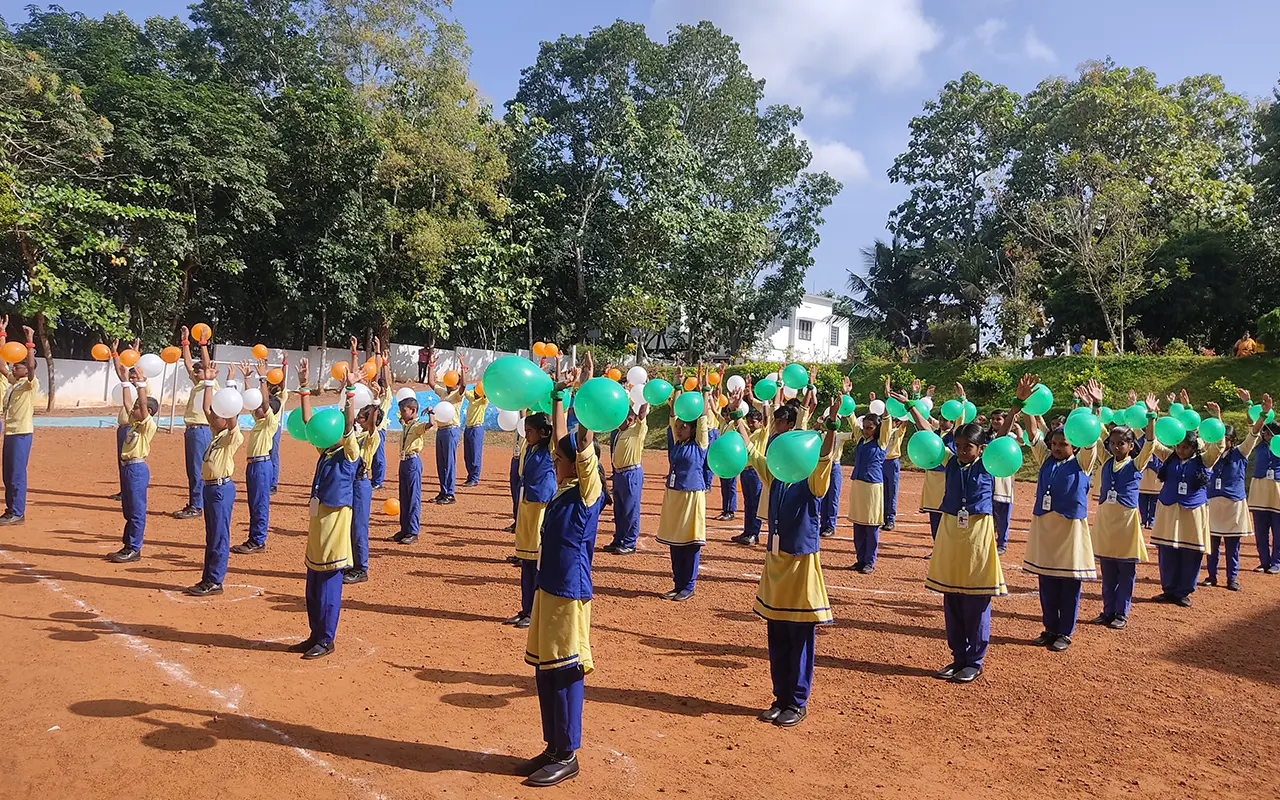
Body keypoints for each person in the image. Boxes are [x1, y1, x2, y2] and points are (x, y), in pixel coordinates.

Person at [518, 354, 605, 788]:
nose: (554, 459)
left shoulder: (589, 491)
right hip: (549, 589)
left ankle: (568, 753)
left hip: (570, 592)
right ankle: (552, 746)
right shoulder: (562, 491)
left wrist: (586, 389)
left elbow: (580, 440)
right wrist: (558, 392)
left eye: (561, 457)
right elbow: (562, 438)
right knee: (545, 667)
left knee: (567, 668)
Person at [737, 392, 839, 724]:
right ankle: (780, 696)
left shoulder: (812, 479)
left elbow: (824, 456)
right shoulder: (777, 477)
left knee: (799, 633)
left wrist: (833, 423)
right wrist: (739, 420)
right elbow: (753, 455)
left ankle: (797, 701)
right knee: (777, 632)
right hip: (776, 562)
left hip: (800, 565)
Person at [906, 395, 1013, 684]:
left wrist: (1014, 406)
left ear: (981, 449)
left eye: (969, 447)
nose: (963, 451)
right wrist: (911, 408)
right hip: (951, 530)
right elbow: (928, 437)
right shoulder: (950, 462)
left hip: (977, 532)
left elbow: (1002, 438)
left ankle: (974, 660)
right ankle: (957, 656)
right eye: (960, 446)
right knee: (951, 597)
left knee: (976, 598)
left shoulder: (987, 464)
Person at [1019, 376, 1102, 652]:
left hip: (1070, 530)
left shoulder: (1082, 462)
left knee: (1069, 582)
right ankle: (1049, 627)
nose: (1057, 448)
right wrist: (1029, 405)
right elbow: (1032, 434)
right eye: (1054, 443)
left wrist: (1095, 407)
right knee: (1046, 580)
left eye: (1063, 444)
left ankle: (1065, 631)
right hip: (1045, 527)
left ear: (1074, 445)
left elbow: (1091, 436)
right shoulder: (1045, 459)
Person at [287, 357, 360, 659]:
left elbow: (350, 425)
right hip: (319, 520)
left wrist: (350, 393)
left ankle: (326, 639)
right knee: (313, 581)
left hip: (336, 518)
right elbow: (307, 426)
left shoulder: (348, 451)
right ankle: (314, 633)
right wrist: (304, 387)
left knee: (329, 579)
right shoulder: (326, 451)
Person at [1148, 390, 1218, 608]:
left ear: (1194, 447)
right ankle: (1168, 589)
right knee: (1167, 551)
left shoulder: (1204, 460)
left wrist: (1217, 418)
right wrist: (1152, 416)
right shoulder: (1169, 459)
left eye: (1185, 447)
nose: (1180, 450)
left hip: (1193, 512)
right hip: (1169, 509)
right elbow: (1151, 442)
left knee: (1190, 552)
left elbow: (1218, 446)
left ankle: (1184, 591)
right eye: (1178, 446)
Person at [1089, 416, 1156, 630]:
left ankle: (1121, 612)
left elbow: (1149, 445)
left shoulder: (1136, 464)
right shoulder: (1106, 461)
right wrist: (1095, 406)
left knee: (1125, 572)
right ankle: (1108, 610)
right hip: (1107, 521)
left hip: (1126, 522)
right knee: (1108, 571)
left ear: (1130, 445)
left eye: (1121, 443)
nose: (1116, 447)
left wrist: (1152, 419)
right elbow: (1092, 435)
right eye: (1113, 443)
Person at [186, 357, 245, 597]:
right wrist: (210, 383)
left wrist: (230, 393)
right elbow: (206, 409)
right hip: (211, 488)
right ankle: (207, 577)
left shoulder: (233, 436)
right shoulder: (216, 435)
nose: (214, 417)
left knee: (219, 535)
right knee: (211, 533)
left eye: (221, 415)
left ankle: (215, 580)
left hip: (221, 488)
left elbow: (228, 417)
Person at [656, 365, 711, 600]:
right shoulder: (676, 444)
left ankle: (688, 585)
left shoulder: (699, 443)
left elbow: (704, 417)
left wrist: (704, 389)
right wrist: (677, 384)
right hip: (673, 494)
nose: (679, 429)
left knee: (690, 541)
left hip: (692, 495)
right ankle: (677, 583)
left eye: (683, 427)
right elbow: (673, 417)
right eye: (678, 427)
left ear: (693, 428)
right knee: (674, 541)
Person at [1202, 398, 1268, 591]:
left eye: (1226, 438)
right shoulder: (1210, 453)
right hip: (1213, 502)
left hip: (1233, 505)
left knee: (1233, 547)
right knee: (1212, 545)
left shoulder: (1241, 452)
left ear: (1232, 440)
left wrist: (1262, 415)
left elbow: (1254, 434)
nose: (1223, 441)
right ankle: (1211, 576)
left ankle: (1231, 578)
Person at [107, 366, 159, 563]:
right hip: (128, 467)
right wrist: (125, 382)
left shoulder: (147, 425)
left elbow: (142, 403)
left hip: (137, 468)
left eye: (139, 407)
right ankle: (127, 544)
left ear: (148, 411)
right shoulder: (134, 423)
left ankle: (134, 548)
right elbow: (128, 402)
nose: (134, 408)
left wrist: (141, 385)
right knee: (128, 509)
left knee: (136, 510)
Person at [509, 411, 555, 628]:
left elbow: (558, 433)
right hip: (526, 505)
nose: (526, 435)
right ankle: (525, 608)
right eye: (525, 431)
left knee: (536, 562)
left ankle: (536, 611)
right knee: (526, 562)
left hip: (540, 506)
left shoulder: (550, 450)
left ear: (544, 433)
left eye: (530, 432)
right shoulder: (530, 448)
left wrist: (558, 397)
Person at [847, 388, 898, 573]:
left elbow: (887, 423)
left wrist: (888, 401)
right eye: (865, 427)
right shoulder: (861, 439)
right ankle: (860, 559)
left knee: (871, 524)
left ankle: (870, 561)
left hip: (873, 487)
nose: (867, 430)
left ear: (877, 429)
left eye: (870, 428)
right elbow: (852, 421)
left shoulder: (881, 442)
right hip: (858, 485)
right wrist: (848, 398)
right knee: (858, 524)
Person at [231, 359, 279, 555]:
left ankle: (258, 540)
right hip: (253, 465)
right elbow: (251, 401)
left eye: (260, 407)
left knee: (260, 503)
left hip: (261, 465)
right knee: (253, 502)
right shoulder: (259, 421)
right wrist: (246, 378)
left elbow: (264, 403)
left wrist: (263, 378)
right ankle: (254, 537)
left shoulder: (270, 421)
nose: (256, 409)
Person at [173, 326, 217, 519]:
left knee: (197, 469)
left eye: (198, 372)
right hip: (192, 430)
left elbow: (205, 366)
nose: (195, 373)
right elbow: (189, 363)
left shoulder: (210, 383)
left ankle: (197, 505)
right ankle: (195, 503)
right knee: (192, 469)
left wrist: (203, 343)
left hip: (201, 430)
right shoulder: (198, 384)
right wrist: (185, 342)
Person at [0, 324, 38, 525]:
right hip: (11, 432)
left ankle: (17, 512)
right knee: (7, 474)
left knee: (16, 473)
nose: (15, 367)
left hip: (22, 433)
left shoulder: (31, 383)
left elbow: (31, 367)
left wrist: (30, 341)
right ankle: (10, 510)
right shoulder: (15, 382)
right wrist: (2, 334)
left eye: (19, 365)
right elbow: (1, 362)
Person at [345, 384, 383, 586]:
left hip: (360, 483)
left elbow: (373, 422)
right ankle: (349, 562)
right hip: (348, 482)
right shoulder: (355, 435)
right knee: (347, 524)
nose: (359, 418)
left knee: (359, 526)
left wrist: (375, 402)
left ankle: (361, 568)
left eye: (363, 416)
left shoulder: (371, 437)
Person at [1241, 390, 1280, 574]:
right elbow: (1252, 427)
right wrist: (1249, 404)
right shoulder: (1259, 444)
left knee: (1278, 532)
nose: (1267, 435)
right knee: (1261, 531)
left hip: (1277, 492)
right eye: (1265, 433)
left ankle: (1276, 562)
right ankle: (1264, 561)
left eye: (1270, 433)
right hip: (1259, 490)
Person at [602, 401, 648, 555]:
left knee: (630, 509)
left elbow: (642, 416)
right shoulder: (620, 432)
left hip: (631, 473)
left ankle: (629, 542)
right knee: (619, 509)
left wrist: (644, 399)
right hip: (619, 474)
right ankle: (618, 539)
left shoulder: (637, 430)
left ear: (629, 419)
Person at [392, 391, 432, 546]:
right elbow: (401, 417)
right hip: (404, 462)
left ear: (413, 411)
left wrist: (430, 412)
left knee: (413, 497)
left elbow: (430, 425)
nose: (401, 414)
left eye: (404, 411)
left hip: (413, 462)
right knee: (404, 496)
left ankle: (413, 531)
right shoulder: (406, 424)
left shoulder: (416, 426)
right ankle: (404, 529)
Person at [426, 357, 464, 505]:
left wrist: (463, 369)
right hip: (441, 430)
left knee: (449, 462)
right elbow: (431, 382)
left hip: (451, 430)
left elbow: (464, 385)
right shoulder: (443, 393)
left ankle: (450, 493)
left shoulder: (457, 395)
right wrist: (431, 364)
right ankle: (443, 491)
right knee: (441, 462)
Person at [731, 402, 768, 547]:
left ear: (760, 423)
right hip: (745, 471)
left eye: (754, 422)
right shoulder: (749, 432)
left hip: (756, 470)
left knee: (756, 504)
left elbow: (766, 417)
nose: (751, 425)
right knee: (748, 503)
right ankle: (747, 532)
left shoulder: (763, 433)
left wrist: (765, 401)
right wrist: (736, 412)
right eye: (749, 422)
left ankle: (754, 533)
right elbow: (739, 426)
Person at [879, 379, 908, 531]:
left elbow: (906, 420)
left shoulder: (898, 431)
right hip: (881, 462)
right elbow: (885, 415)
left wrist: (907, 401)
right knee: (882, 490)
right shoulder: (884, 431)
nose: (893, 422)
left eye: (895, 421)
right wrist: (888, 395)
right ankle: (882, 517)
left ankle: (890, 518)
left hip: (893, 462)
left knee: (892, 491)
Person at [989, 409, 1018, 554]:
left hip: (1003, 479)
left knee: (1003, 512)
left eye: (998, 419)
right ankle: (988, 540)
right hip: (988, 478)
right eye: (993, 419)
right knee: (988, 512)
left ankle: (1002, 542)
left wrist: (1013, 421)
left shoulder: (1010, 438)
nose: (995, 421)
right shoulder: (985, 436)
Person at [462, 374, 490, 488]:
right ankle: (470, 476)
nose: (475, 391)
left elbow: (488, 392)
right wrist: (463, 371)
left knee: (475, 454)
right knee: (467, 454)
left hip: (477, 429)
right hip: (468, 428)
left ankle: (474, 478)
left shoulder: (484, 401)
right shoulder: (471, 398)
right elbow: (463, 388)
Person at [269, 351, 289, 494]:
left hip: (274, 428)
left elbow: (283, 381)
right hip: (264, 428)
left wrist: (284, 363)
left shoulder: (281, 395)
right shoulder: (265, 393)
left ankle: (273, 484)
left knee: (273, 455)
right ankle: (267, 481)